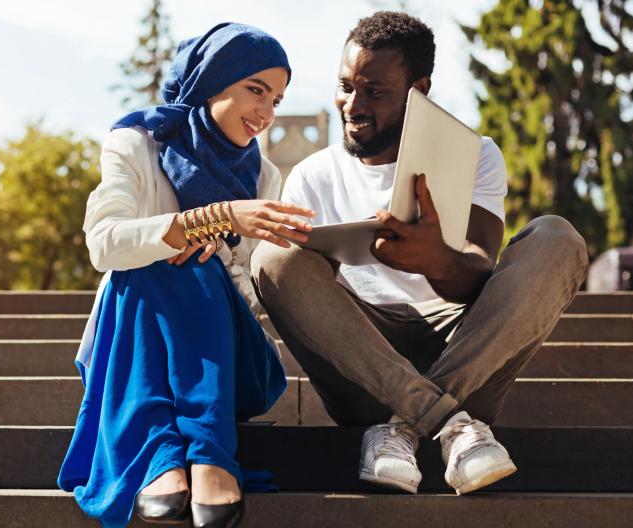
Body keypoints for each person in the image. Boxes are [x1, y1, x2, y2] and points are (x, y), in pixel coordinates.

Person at [251, 11, 588, 496]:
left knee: (557, 238)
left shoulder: (473, 154)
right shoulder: (311, 176)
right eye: (345, 86)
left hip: (466, 353)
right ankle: (450, 423)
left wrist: (435, 260)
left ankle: (406, 426)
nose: (353, 104)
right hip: (364, 362)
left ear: (418, 90)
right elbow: (305, 297)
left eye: (375, 91)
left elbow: (478, 273)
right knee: (274, 258)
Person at [57, 23, 314, 528]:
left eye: (277, 100)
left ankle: (192, 453)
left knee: (187, 265)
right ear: (212, 80)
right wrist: (207, 221)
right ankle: (183, 456)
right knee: (150, 262)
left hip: (225, 357)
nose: (265, 112)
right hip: (133, 346)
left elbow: (250, 295)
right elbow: (103, 244)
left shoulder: (263, 176)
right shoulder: (135, 142)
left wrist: (207, 249)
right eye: (255, 90)